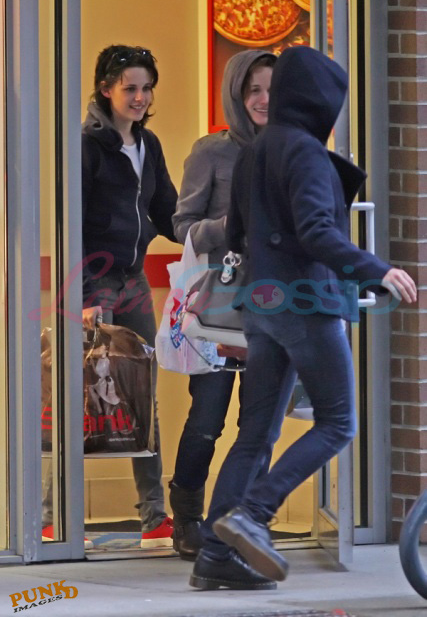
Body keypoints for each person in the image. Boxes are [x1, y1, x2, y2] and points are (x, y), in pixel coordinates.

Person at [189, 46, 417, 589]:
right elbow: (317, 231)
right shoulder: (307, 152)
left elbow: (236, 233)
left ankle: (215, 554)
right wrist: (377, 269)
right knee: (338, 422)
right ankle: (255, 513)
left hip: (261, 304)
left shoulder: (255, 150)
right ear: (321, 101)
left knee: (255, 433)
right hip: (305, 303)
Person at [42, 45, 178, 549]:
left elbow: (166, 210)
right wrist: (85, 295)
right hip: (92, 282)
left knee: (142, 392)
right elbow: (72, 224)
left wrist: (207, 233)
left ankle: (154, 519)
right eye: (130, 88)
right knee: (78, 396)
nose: (140, 98)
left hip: (134, 280)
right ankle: (55, 518)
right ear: (106, 89)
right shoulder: (86, 146)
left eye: (146, 88)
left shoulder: (149, 144)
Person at [170, 50, 277, 561]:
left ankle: (244, 522)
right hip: (220, 303)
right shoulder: (211, 151)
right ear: (236, 94)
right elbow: (182, 226)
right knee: (207, 419)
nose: (264, 99)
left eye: (272, 90)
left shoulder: (291, 150)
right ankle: (186, 516)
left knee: (260, 424)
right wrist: (230, 226)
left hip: (276, 304)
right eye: (253, 90)